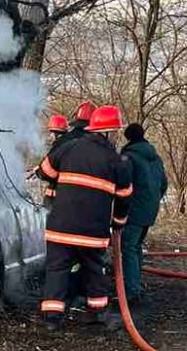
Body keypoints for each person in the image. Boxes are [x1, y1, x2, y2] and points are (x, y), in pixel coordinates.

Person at [36, 105, 132, 331]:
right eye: (116, 131)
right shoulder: (117, 162)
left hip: (61, 227)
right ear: (109, 132)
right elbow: (124, 198)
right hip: (93, 231)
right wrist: (118, 223)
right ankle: (96, 313)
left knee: (57, 269)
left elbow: (45, 172)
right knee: (93, 270)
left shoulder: (69, 147)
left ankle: (52, 318)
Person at [119, 122, 168, 303]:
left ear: (128, 137)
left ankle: (132, 291)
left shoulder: (129, 157)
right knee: (136, 246)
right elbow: (164, 185)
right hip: (150, 211)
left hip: (134, 211)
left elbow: (122, 185)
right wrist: (152, 200)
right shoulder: (155, 158)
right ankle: (137, 284)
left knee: (128, 248)